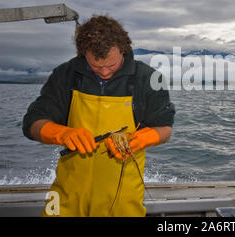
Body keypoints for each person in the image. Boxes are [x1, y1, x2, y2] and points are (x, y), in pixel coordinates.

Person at [22, 15, 175, 216]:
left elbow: (164, 129)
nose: (104, 71)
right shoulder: (66, 74)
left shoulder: (148, 78)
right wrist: (61, 134)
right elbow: (32, 123)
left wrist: (140, 140)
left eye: (111, 65)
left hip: (123, 195)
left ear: (123, 49)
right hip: (67, 192)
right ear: (83, 53)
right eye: (95, 65)